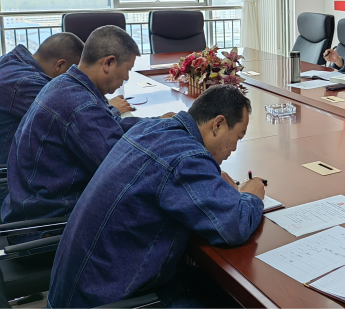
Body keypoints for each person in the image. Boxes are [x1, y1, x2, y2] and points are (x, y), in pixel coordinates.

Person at [47, 85, 265, 308]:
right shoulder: (185, 158)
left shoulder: (152, 128)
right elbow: (234, 226)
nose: (234, 148)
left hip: (78, 290)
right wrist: (251, 195)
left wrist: (209, 179)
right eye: (238, 136)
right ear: (218, 124)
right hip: (107, 299)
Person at [1, 26, 165, 237]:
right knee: (157, 212)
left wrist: (159, 125)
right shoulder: (79, 104)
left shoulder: (64, 84)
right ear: (108, 63)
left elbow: (109, 125)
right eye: (127, 70)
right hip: (48, 225)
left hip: (29, 207)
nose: (126, 78)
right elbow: (123, 169)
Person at [0, 34, 84, 168]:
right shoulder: (26, 83)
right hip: (8, 173)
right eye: (73, 75)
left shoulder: (11, 62)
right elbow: (72, 116)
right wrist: (111, 108)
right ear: (60, 65)